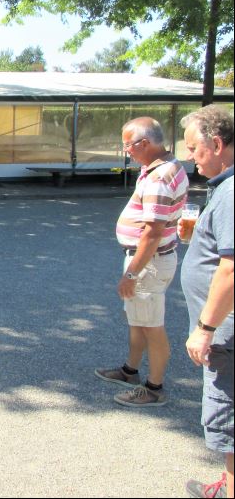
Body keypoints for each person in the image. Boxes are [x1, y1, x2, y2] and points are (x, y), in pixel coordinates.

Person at [95, 117, 189, 407]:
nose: (126, 151)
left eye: (128, 145)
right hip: (147, 261)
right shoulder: (161, 168)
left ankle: (154, 388)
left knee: (151, 325)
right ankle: (130, 371)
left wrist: (132, 274)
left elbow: (152, 232)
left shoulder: (159, 177)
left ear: (145, 143)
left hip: (148, 263)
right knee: (138, 319)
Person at [178, 106, 233, 499]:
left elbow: (231, 271)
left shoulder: (231, 193)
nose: (191, 157)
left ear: (216, 144)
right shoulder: (224, 189)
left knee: (228, 421)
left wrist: (206, 328)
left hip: (226, 333)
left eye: (195, 148)